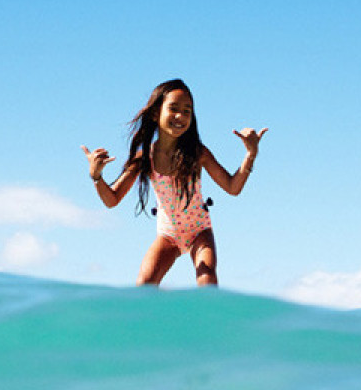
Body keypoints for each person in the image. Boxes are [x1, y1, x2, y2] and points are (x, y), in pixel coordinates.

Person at [82, 79, 267, 287]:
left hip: (199, 230)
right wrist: (96, 176)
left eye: (187, 111)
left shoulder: (197, 153)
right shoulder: (145, 158)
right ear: (155, 113)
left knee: (207, 281)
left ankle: (207, 318)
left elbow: (233, 187)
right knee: (144, 286)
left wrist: (250, 155)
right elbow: (112, 200)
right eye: (174, 108)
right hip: (168, 234)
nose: (181, 116)